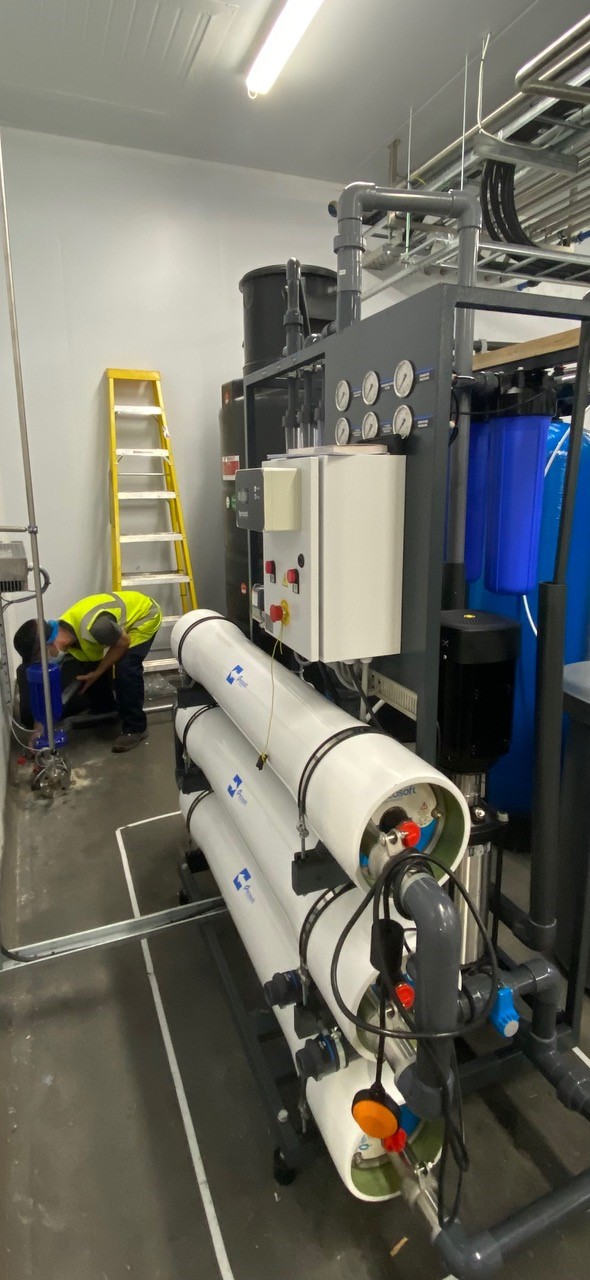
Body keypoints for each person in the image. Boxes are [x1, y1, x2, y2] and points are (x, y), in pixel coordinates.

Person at [14, 590, 162, 753]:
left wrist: (98, 672)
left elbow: (123, 642)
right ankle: (106, 708)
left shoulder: (96, 628)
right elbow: (46, 686)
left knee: (125, 668)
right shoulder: (65, 633)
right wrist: (38, 728)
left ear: (48, 646)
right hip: (114, 630)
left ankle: (136, 728)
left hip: (144, 616)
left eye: (39, 660)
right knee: (86, 671)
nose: (42, 665)